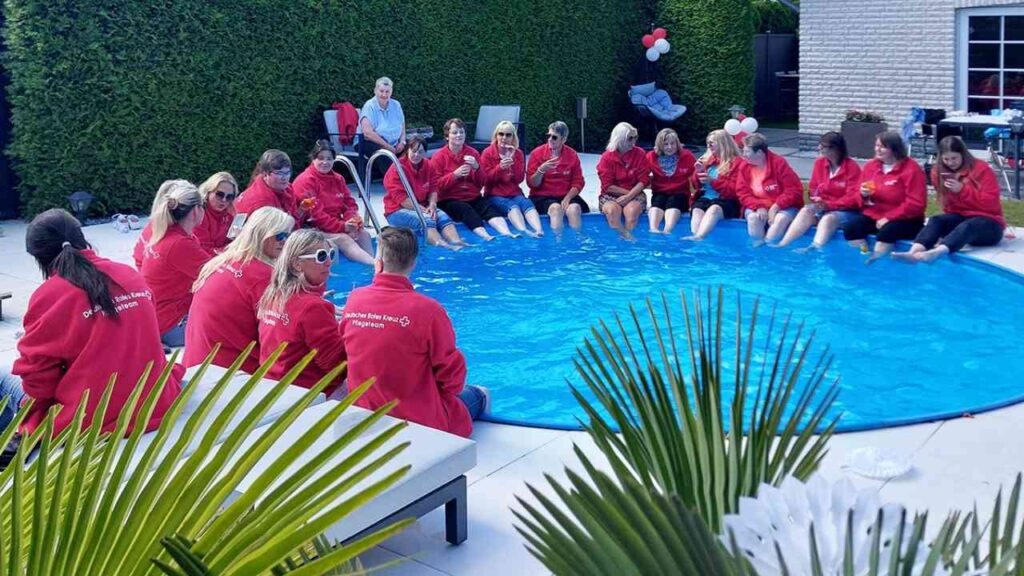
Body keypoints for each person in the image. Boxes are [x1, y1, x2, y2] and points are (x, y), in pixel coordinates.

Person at [0, 209, 182, 438]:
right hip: (153, 404)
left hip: (88, 420)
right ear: (83, 239)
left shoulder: (50, 295)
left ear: (38, 257)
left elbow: (37, 380)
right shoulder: (130, 275)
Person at [340, 227, 489, 438]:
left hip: (366, 412)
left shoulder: (355, 299)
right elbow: (453, 380)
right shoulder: (429, 310)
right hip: (420, 421)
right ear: (414, 263)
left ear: (378, 261)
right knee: (481, 393)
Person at [185, 207, 295, 373]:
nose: (285, 242)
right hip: (231, 375)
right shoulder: (263, 277)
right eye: (280, 236)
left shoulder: (222, 261)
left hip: (197, 364)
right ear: (261, 235)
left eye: (289, 236)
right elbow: (281, 338)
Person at [257, 229, 345, 394]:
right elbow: (336, 365)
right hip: (303, 393)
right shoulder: (313, 307)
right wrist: (354, 331)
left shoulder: (273, 294)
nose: (328, 262)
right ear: (297, 264)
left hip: (271, 384)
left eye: (330, 254)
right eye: (320, 256)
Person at [894, 135, 1006, 263]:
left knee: (968, 225)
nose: (951, 163)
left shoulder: (981, 169)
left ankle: (937, 252)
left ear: (963, 154)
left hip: (990, 223)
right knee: (936, 220)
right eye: (946, 159)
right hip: (961, 217)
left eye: (954, 158)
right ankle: (913, 251)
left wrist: (962, 190)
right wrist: (951, 193)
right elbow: (949, 208)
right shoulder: (938, 171)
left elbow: (991, 203)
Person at [139, 179, 211, 347]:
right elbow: (218, 276)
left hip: (159, 318)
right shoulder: (179, 244)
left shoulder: (165, 234)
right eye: (203, 206)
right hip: (172, 324)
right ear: (195, 212)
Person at [842, 130, 927, 263]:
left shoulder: (911, 169)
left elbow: (916, 204)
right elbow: (856, 196)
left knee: (886, 233)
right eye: (876, 146)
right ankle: (864, 253)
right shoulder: (871, 166)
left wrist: (889, 217)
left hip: (907, 219)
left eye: (883, 147)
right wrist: (862, 195)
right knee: (851, 229)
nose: (878, 150)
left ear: (895, 149)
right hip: (875, 214)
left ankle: (877, 262)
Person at [292, 140, 375, 265]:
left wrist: (352, 222)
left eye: (329, 159)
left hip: (335, 225)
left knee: (364, 235)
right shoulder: (305, 181)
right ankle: (375, 265)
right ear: (313, 159)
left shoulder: (338, 179)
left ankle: (372, 272)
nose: (325, 162)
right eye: (320, 158)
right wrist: (342, 227)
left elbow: (349, 204)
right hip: (312, 228)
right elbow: (316, 216)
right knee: (344, 239)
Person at [776, 132, 863, 250]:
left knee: (828, 219)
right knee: (806, 210)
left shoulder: (852, 168)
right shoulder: (820, 163)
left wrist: (829, 205)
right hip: (824, 207)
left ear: (835, 149)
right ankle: (784, 244)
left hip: (846, 211)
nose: (819, 148)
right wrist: (817, 199)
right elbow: (814, 187)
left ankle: (813, 248)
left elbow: (852, 199)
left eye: (823, 146)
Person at [433, 118, 515, 240]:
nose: (459, 135)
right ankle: (486, 237)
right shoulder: (438, 157)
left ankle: (507, 233)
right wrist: (454, 175)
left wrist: (476, 168)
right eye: (454, 132)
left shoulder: (473, 153)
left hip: (472, 196)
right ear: (447, 136)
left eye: (461, 132)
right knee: (466, 210)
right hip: (449, 199)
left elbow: (482, 182)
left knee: (487, 209)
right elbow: (436, 186)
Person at [383, 135, 468, 249]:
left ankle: (457, 242)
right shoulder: (396, 168)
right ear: (407, 150)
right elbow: (402, 200)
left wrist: (432, 205)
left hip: (421, 206)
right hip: (397, 210)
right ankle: (443, 245)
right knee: (426, 219)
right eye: (413, 151)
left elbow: (434, 188)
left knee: (442, 216)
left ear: (425, 153)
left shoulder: (428, 165)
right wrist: (425, 210)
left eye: (421, 152)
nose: (417, 155)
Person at [736, 133, 804, 245]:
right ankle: (758, 252)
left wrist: (776, 206)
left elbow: (794, 190)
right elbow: (742, 193)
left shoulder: (778, 163)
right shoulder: (744, 166)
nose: (743, 155)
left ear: (759, 153)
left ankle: (769, 249)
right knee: (753, 219)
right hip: (756, 205)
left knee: (780, 220)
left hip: (783, 206)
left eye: (747, 151)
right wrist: (758, 206)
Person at [481, 120, 544, 237]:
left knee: (527, 204)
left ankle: (539, 231)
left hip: (514, 193)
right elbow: (484, 180)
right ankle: (525, 232)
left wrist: (512, 162)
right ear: (496, 136)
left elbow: (519, 178)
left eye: (508, 135)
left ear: (513, 137)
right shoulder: (487, 153)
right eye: (501, 134)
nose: (504, 138)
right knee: (513, 207)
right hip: (495, 194)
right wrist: (499, 168)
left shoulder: (518, 153)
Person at [526, 121, 588, 232]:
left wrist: (568, 198)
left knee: (574, 209)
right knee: (556, 209)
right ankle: (558, 245)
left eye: (554, 137)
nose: (550, 139)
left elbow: (578, 182)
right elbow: (532, 184)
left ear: (563, 139)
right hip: (543, 196)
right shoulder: (537, 154)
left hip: (565, 194)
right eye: (548, 136)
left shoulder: (571, 155)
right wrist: (541, 170)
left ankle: (576, 243)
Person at [685, 129, 744, 240]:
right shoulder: (708, 160)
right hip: (706, 198)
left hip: (727, 200)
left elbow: (735, 190)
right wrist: (698, 172)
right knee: (697, 209)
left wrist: (713, 181)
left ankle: (700, 237)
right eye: (708, 143)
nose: (709, 145)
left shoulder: (738, 163)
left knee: (714, 209)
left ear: (723, 143)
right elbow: (696, 186)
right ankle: (697, 240)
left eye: (712, 142)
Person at [597, 122, 649, 238]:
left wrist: (629, 196)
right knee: (612, 211)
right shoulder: (607, 157)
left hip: (634, 192)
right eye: (630, 138)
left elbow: (643, 180)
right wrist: (628, 195)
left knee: (632, 212)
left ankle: (626, 241)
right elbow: (608, 186)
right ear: (619, 139)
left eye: (635, 137)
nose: (633, 141)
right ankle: (626, 236)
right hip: (611, 194)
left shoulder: (639, 153)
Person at [646, 128, 696, 234]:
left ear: (677, 143)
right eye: (665, 144)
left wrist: (694, 197)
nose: (670, 147)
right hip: (660, 192)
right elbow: (642, 174)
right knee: (658, 202)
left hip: (680, 193)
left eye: (672, 143)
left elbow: (695, 177)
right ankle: (653, 229)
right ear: (660, 145)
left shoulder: (687, 156)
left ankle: (667, 230)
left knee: (674, 202)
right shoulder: (651, 156)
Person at [235, 149, 306, 223]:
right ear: (265, 174)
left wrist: (301, 210)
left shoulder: (286, 188)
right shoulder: (261, 201)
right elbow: (272, 231)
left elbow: (292, 221)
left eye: (287, 172)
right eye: (279, 173)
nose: (284, 178)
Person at [356, 77, 407, 163]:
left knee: (414, 148)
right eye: (381, 91)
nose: (384, 94)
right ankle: (395, 176)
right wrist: (387, 147)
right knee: (385, 156)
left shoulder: (396, 105)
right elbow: (367, 133)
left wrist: (402, 141)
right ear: (375, 91)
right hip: (369, 142)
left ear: (391, 92)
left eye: (387, 91)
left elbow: (402, 125)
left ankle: (413, 175)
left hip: (394, 144)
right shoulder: (369, 106)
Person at [192, 172, 239, 254]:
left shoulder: (229, 216)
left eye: (229, 197)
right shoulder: (199, 214)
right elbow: (203, 250)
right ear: (208, 192)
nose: (224, 200)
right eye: (219, 194)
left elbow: (232, 243)